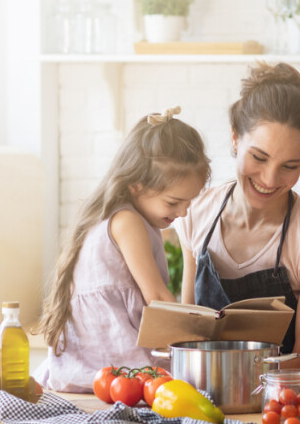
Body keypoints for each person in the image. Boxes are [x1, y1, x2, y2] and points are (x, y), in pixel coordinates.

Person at [177, 62, 300, 370]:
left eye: (290, 166)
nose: (269, 179)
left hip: (279, 407)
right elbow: (188, 336)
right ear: (235, 138)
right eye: (259, 157)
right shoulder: (195, 213)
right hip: (202, 403)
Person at [34, 107, 211, 392]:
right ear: (136, 186)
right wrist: (194, 340)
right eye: (173, 202)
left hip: (96, 360)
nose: (182, 212)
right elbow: (156, 297)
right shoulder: (127, 221)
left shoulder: (123, 215)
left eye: (188, 203)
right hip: (111, 359)